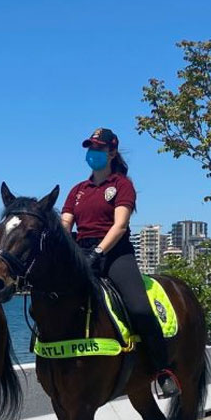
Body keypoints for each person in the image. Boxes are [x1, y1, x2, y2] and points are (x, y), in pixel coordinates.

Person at [60, 127, 180, 397]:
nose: (93, 153)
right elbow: (65, 223)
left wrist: (99, 252)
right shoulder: (77, 190)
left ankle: (163, 370)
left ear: (112, 152)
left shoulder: (121, 185)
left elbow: (121, 224)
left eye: (98, 148)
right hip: (81, 253)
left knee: (138, 307)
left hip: (115, 254)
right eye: (90, 148)